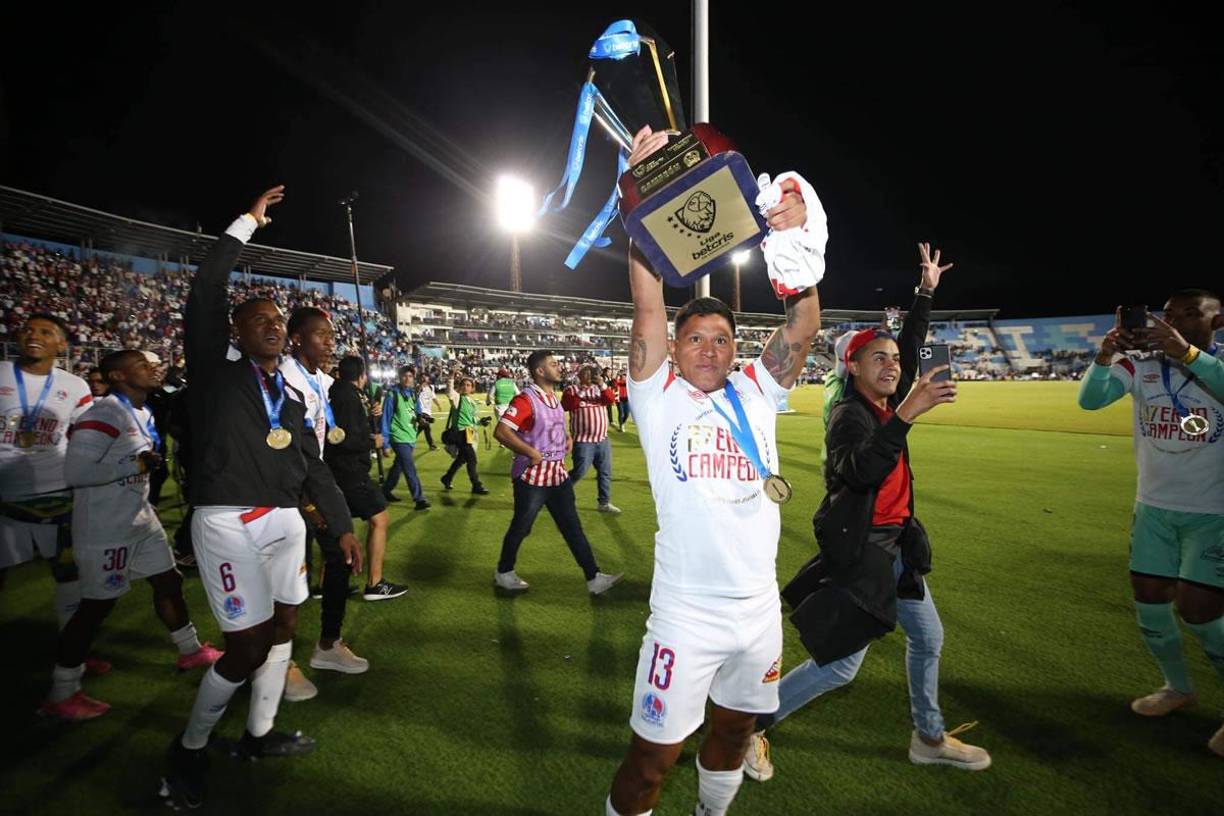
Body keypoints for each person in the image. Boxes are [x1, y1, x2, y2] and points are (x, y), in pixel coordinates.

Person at [605, 125, 824, 816]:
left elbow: (803, 327)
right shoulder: (656, 394)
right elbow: (647, 300)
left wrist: (793, 242)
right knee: (651, 761)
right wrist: (637, 196)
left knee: (733, 735)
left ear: (735, 349)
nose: (708, 347)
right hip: (685, 614)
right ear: (673, 348)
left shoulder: (758, 388)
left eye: (721, 338)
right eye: (694, 337)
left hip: (758, 612)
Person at [744, 244, 990, 782]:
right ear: (852, 366)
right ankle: (751, 726)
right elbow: (858, 471)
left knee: (928, 638)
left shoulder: (886, 401)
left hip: (897, 546)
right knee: (839, 669)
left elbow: (911, 342)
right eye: (878, 359)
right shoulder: (848, 414)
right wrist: (905, 417)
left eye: (895, 361)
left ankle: (928, 737)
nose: (892, 365)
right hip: (866, 554)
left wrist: (926, 291)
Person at [161, 186, 362, 810]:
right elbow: (206, 288)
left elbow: (312, 469)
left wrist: (342, 525)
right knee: (246, 646)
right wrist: (247, 223)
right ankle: (189, 751)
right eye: (260, 322)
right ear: (235, 333)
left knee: (285, 626)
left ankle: (258, 733)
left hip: (285, 523)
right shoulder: (214, 373)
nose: (274, 328)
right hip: (227, 522)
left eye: (279, 322)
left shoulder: (292, 397)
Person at [1078, 290, 1224, 758]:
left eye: (1190, 313)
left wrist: (1188, 354)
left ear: (1217, 321)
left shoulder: (1215, 364)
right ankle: (1178, 687)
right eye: (1170, 314)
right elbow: (1090, 401)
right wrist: (1105, 356)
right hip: (1153, 508)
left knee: (1200, 611)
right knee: (1150, 601)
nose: (1174, 320)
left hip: (1213, 511)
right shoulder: (1141, 364)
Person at [42, 349, 221, 720]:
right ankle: (63, 690)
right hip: (105, 527)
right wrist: (134, 464)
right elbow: (76, 473)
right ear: (118, 376)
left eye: (153, 364)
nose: (153, 368)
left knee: (168, 582)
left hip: (140, 518)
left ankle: (190, 650)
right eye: (142, 365)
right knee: (96, 607)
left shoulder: (142, 412)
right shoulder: (102, 414)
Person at [492, 350, 622, 594]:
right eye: (553, 364)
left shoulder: (554, 397)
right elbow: (501, 431)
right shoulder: (525, 400)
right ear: (540, 371)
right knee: (522, 527)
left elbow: (553, 425)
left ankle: (593, 577)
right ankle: (504, 571)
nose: (559, 367)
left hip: (557, 476)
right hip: (532, 477)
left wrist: (567, 436)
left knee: (572, 526)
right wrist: (530, 452)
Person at [0, 314, 92, 631]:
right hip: (4, 492)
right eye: (28, 330)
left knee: (68, 572)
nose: (33, 335)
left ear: (61, 344)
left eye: (45, 331)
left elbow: (88, 434)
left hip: (56, 492)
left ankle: (73, 645)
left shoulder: (74, 385)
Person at [331, 356, 408, 603]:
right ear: (361, 376)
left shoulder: (341, 392)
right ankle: (375, 583)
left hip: (344, 470)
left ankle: (329, 583)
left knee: (339, 525)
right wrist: (370, 442)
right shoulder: (347, 397)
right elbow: (340, 437)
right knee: (380, 518)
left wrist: (370, 415)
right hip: (350, 471)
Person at [561, 364, 620, 513]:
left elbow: (610, 400)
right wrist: (582, 389)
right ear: (579, 375)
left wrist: (601, 384)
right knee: (579, 471)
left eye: (591, 373)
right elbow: (568, 405)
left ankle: (604, 503)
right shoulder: (571, 390)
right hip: (583, 441)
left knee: (605, 472)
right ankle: (557, 492)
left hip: (602, 439)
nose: (589, 376)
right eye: (586, 373)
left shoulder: (599, 389)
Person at [381, 365, 430, 510]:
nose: (407, 379)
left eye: (410, 376)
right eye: (404, 376)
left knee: (398, 466)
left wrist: (421, 419)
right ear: (399, 377)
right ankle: (419, 498)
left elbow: (417, 411)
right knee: (409, 467)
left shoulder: (413, 394)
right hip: (398, 437)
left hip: (410, 436)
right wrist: (385, 443)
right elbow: (385, 419)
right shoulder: (392, 395)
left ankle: (385, 491)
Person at [440, 371, 489, 495]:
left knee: (461, 459)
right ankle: (476, 485)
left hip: (469, 433)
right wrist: (451, 376)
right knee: (472, 459)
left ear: (472, 388)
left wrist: (481, 422)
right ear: (460, 386)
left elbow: (472, 420)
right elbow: (449, 392)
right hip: (461, 434)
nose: (466, 387)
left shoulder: (471, 401)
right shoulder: (457, 398)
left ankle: (447, 478)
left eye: (468, 385)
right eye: (463, 385)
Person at [416, 374, 438, 451]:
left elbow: (433, 397)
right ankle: (432, 445)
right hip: (420, 410)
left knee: (422, 427)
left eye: (425, 377)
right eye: (422, 377)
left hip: (428, 411)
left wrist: (438, 405)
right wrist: (422, 384)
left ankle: (409, 440)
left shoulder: (431, 387)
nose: (424, 378)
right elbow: (416, 393)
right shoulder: (418, 386)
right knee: (426, 427)